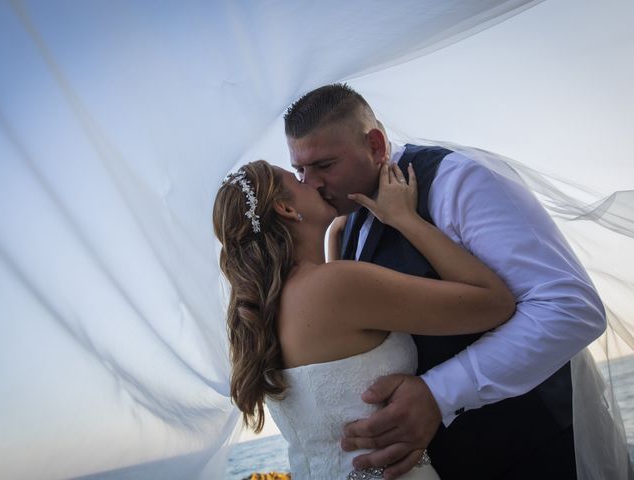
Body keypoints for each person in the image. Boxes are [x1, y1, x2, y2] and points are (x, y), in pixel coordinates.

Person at [283, 83, 609, 479]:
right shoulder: (346, 222)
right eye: (300, 170)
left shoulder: (458, 181)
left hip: (535, 451)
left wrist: (438, 393)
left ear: (374, 143)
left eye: (325, 165)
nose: (311, 183)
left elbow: (570, 308)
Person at [213, 160, 516, 479]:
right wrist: (404, 218)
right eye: (300, 180)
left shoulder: (266, 310)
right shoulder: (337, 286)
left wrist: (339, 229)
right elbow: (495, 302)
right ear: (286, 209)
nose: (314, 183)